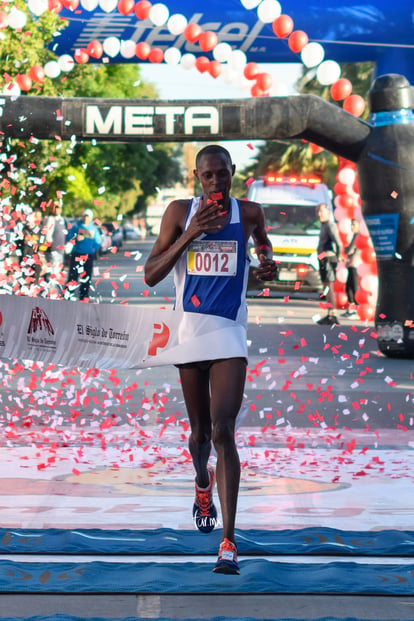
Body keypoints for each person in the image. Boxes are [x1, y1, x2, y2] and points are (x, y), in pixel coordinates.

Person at [144, 145, 277, 575]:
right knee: (199, 435)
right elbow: (150, 275)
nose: (216, 182)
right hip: (189, 335)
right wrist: (189, 234)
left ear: (233, 173)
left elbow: (262, 247)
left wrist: (266, 263)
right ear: (197, 177)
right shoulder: (179, 212)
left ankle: (229, 542)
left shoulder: (250, 212)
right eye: (208, 176)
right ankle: (202, 481)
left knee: (224, 430)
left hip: (229, 333)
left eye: (223, 174)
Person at [65, 208, 101, 301]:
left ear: (91, 218)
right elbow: (69, 237)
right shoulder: (76, 226)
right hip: (77, 254)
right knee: (73, 275)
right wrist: (75, 238)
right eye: (84, 216)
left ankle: (83, 296)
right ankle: (69, 294)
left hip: (88, 255)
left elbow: (98, 241)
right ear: (82, 216)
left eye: (88, 217)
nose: (86, 218)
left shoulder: (94, 229)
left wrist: (93, 249)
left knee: (86, 276)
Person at [316, 202, 342, 325]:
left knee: (328, 287)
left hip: (328, 259)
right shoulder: (323, 225)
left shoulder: (330, 225)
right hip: (323, 259)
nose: (319, 214)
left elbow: (338, 243)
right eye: (318, 212)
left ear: (328, 213)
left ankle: (333, 314)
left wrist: (339, 256)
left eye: (321, 211)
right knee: (325, 287)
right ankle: (329, 313)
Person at [43, 200, 68, 290]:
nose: (56, 209)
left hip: (60, 250)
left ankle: (56, 292)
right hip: (54, 250)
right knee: (53, 273)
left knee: (58, 272)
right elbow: (48, 235)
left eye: (58, 207)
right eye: (55, 207)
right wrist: (52, 246)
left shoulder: (62, 219)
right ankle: (51, 292)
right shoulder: (50, 219)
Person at [342, 218, 361, 318]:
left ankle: (355, 311)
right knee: (349, 287)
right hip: (352, 264)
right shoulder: (356, 236)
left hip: (355, 264)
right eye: (351, 225)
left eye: (354, 225)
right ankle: (351, 309)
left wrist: (345, 249)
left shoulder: (357, 236)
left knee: (353, 287)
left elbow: (349, 250)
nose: (352, 227)